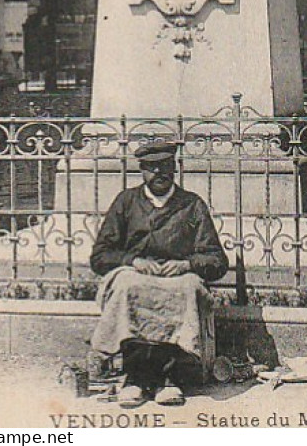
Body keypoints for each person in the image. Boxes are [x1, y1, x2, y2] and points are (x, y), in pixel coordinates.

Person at [89, 137, 228, 408]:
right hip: (136, 273)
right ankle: (135, 378)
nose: (159, 173)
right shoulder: (126, 202)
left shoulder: (191, 205)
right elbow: (100, 256)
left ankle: (169, 379)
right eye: (152, 167)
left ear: (174, 168)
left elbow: (217, 261)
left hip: (178, 275)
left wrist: (188, 264)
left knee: (187, 288)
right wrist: (133, 261)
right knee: (128, 286)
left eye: (165, 166)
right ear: (141, 170)